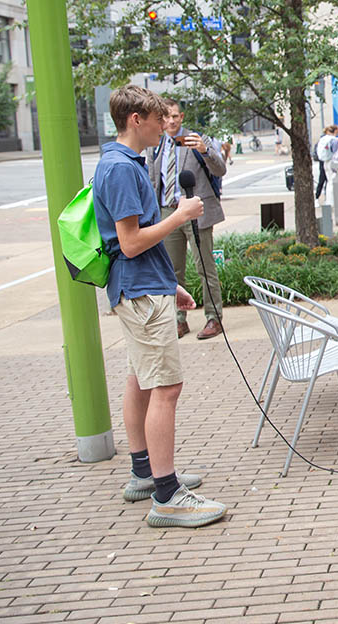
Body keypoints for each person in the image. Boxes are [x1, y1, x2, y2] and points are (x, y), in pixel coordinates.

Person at [94, 84, 227, 528]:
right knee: (166, 388)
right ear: (136, 120)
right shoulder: (120, 168)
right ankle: (168, 495)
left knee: (143, 379)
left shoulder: (124, 163)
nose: (165, 126)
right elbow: (130, 243)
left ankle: (144, 473)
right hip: (138, 292)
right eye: (158, 120)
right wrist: (180, 216)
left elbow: (134, 242)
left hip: (145, 287)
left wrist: (171, 285)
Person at [146, 99, 227, 340]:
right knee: (171, 270)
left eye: (174, 116)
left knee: (205, 266)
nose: (170, 121)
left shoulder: (196, 140)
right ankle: (179, 320)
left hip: (195, 211)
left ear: (181, 117)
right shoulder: (155, 144)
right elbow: (152, 180)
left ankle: (214, 317)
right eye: (166, 117)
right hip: (167, 213)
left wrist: (204, 150)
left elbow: (220, 169)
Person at [314, 124, 338, 200]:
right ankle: (329, 198)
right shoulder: (333, 139)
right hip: (331, 161)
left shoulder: (323, 139)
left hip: (323, 161)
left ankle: (318, 198)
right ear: (335, 131)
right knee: (330, 180)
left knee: (322, 180)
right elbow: (335, 151)